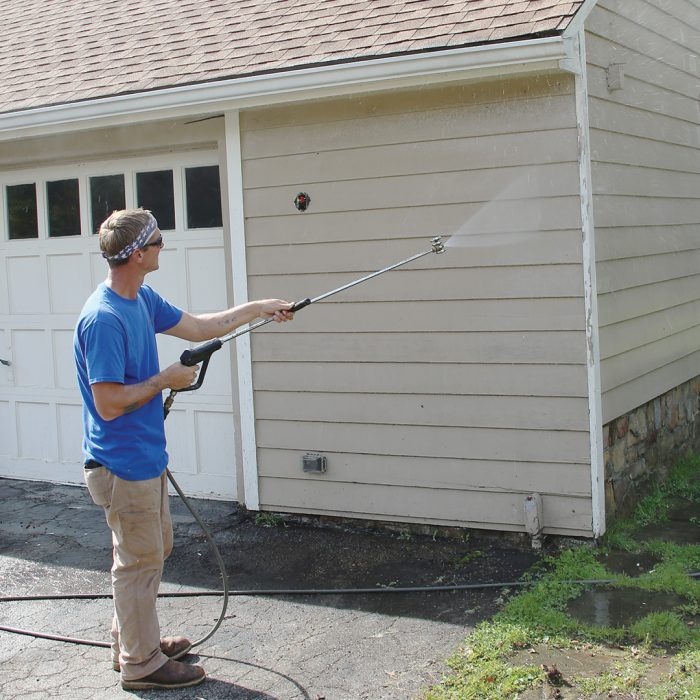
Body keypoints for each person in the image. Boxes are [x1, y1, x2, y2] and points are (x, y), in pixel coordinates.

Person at [73, 208, 294, 690]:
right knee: (138, 562)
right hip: (121, 462)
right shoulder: (104, 319)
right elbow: (108, 404)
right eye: (155, 241)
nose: (162, 246)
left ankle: (134, 640)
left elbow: (198, 327)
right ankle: (142, 665)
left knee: (149, 554)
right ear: (134, 254)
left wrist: (259, 307)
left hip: (144, 458)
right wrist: (164, 380)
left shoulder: (141, 299)